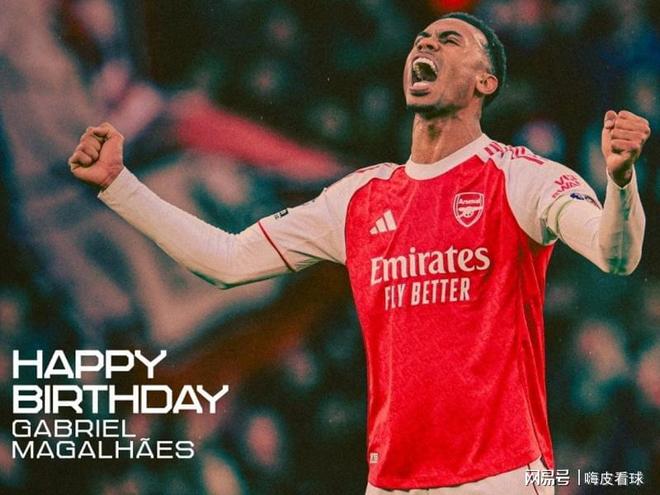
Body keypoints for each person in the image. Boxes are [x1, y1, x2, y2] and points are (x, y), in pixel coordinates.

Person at [68, 12, 650, 495]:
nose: (426, 45)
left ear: (485, 82)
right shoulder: (358, 198)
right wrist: (120, 187)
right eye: (422, 40)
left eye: (449, 40)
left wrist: (621, 184)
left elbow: (615, 255)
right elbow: (225, 261)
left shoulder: (522, 177)